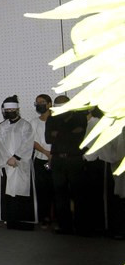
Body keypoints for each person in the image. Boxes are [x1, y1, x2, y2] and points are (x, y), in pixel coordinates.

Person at [45, 95, 87, 235]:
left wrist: (58, 133)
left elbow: (79, 137)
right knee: (60, 194)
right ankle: (64, 225)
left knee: (79, 193)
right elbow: (48, 138)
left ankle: (81, 226)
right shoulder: (51, 119)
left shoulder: (79, 117)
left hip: (74, 159)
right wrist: (69, 132)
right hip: (58, 159)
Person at [0, 96, 36, 230]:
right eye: (7, 110)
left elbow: (27, 142)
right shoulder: (2, 127)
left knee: (22, 190)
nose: (10, 112)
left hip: (21, 164)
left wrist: (16, 157)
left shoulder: (25, 125)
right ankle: (11, 221)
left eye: (12, 110)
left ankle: (25, 222)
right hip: (7, 164)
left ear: (17, 109)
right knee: (9, 192)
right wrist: (8, 159)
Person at [31, 94, 53, 228]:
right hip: (40, 159)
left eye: (42, 102)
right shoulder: (34, 122)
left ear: (49, 104)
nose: (39, 104)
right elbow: (32, 141)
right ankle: (44, 218)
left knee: (55, 189)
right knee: (42, 190)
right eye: (37, 102)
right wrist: (46, 152)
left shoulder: (56, 120)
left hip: (56, 159)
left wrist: (53, 154)